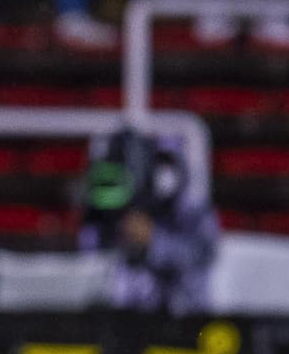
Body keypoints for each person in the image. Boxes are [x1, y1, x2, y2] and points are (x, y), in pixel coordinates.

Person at [79, 128, 219, 315]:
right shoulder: (107, 214)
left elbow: (204, 254)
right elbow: (91, 255)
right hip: (129, 325)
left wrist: (153, 240)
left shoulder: (190, 208)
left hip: (187, 321)